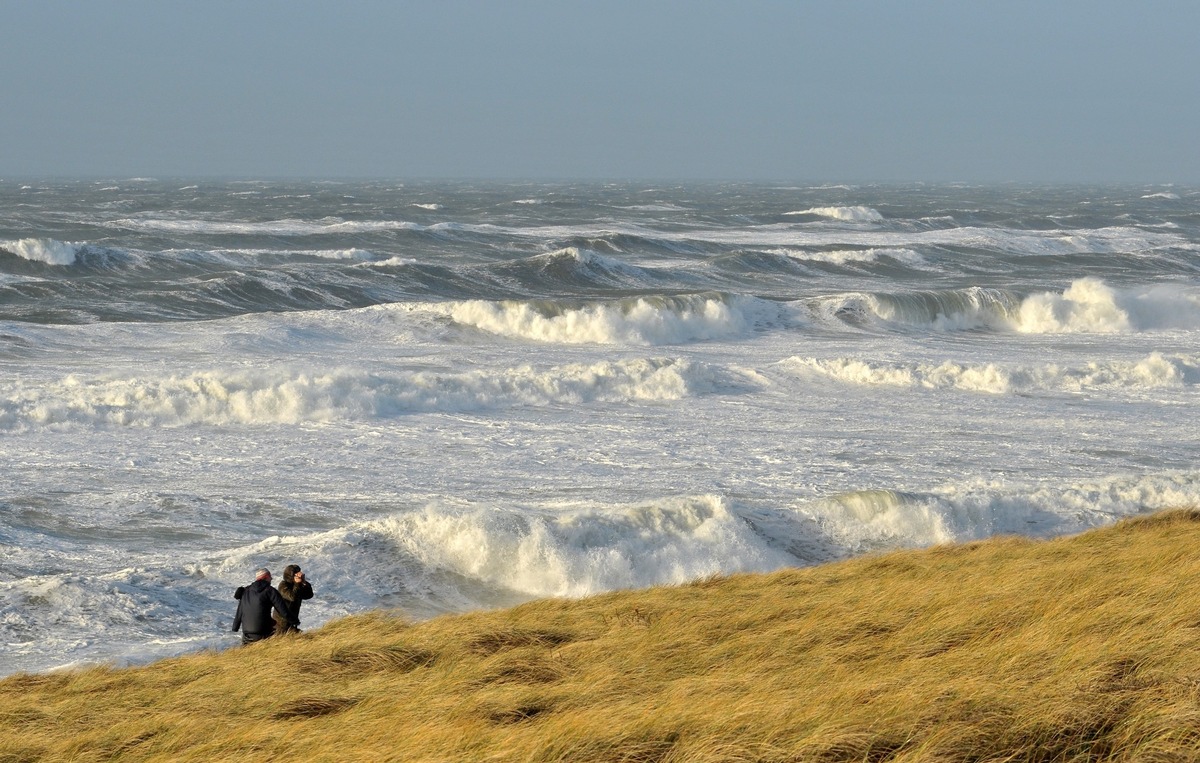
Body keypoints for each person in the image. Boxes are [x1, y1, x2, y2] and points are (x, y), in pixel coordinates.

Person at [232, 568, 297, 645]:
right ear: (266, 577)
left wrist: (235, 627)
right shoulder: (270, 591)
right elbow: (283, 611)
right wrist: (295, 621)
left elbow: (240, 611)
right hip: (263, 633)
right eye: (270, 577)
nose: (271, 578)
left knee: (247, 655)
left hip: (247, 634)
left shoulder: (246, 591)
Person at [273, 564, 314, 635]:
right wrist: (297, 584)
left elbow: (309, 595)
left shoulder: (297, 584)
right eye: (296, 574)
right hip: (282, 624)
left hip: (292, 621)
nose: (299, 575)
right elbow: (292, 597)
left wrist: (304, 582)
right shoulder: (283, 585)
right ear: (291, 576)